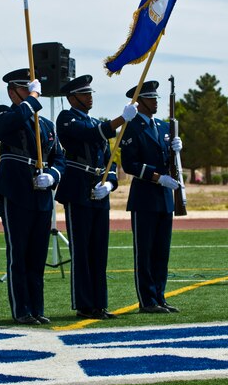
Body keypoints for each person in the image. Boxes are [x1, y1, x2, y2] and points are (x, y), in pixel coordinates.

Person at [54, 74, 138, 320]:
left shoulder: (95, 122)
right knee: (82, 250)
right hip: (78, 188)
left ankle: (99, 303)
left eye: (91, 93)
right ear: (73, 98)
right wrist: (122, 119)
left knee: (99, 250)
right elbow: (92, 134)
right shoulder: (67, 118)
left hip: (99, 191)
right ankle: (84, 304)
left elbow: (109, 159)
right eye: (85, 94)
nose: (90, 97)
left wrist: (110, 183)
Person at [0, 68, 66, 325]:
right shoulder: (4, 113)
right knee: (19, 254)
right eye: (24, 89)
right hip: (16, 191)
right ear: (13, 92)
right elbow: (6, 126)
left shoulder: (46, 124)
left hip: (42, 194)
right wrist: (31, 99)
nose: (30, 93)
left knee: (36, 255)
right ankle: (21, 309)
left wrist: (53, 175)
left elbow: (59, 157)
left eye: (31, 89)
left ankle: (37, 307)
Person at [119, 80, 183, 314]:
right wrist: (158, 178)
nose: (156, 101)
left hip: (165, 197)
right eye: (151, 98)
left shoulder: (165, 127)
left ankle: (160, 295)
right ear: (140, 102)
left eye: (156, 97)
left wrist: (176, 150)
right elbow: (130, 164)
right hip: (145, 196)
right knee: (144, 252)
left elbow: (169, 160)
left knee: (161, 252)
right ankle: (147, 300)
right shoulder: (131, 127)